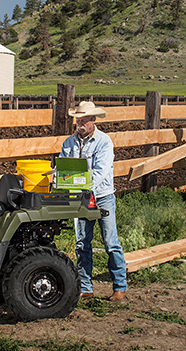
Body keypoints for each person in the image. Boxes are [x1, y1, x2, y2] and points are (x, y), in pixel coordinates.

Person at [60, 101, 127, 302]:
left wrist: (79, 184)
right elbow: (63, 168)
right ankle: (86, 286)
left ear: (93, 120)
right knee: (82, 243)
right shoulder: (68, 143)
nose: (80, 124)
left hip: (102, 196)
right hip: (80, 198)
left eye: (84, 120)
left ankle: (119, 286)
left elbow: (100, 172)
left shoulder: (104, 142)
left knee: (110, 242)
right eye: (78, 120)